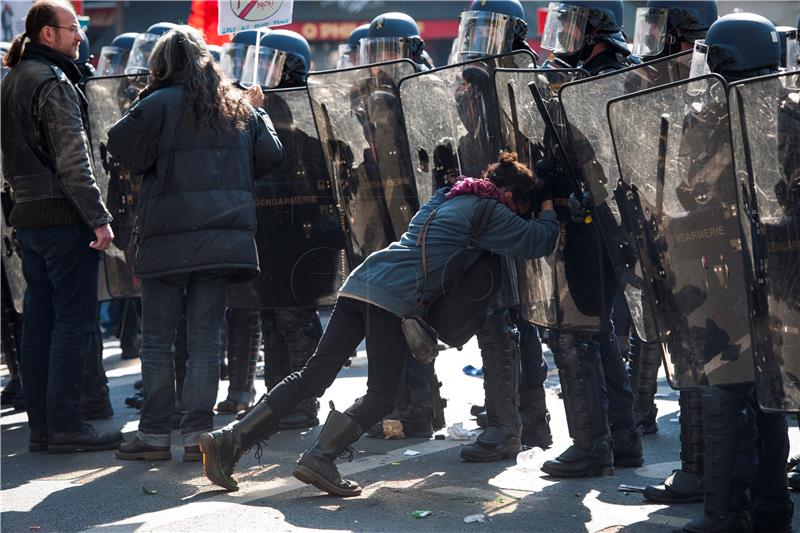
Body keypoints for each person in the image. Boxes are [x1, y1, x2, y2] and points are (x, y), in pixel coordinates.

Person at [199, 152, 558, 494]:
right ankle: (320, 458)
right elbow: (537, 241)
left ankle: (230, 438)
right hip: (391, 299)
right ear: (508, 195)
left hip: (362, 281)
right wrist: (546, 207)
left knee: (313, 376)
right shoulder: (490, 210)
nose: (517, 217)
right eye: (519, 210)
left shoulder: (447, 196)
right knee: (383, 394)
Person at [108, 25, 283, 462]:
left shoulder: (155, 104)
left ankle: (152, 434)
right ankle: (195, 436)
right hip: (222, 241)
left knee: (157, 340)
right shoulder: (236, 107)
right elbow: (271, 156)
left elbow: (119, 146)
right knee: (206, 340)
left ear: (162, 65)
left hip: (165, 238)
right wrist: (256, 110)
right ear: (207, 61)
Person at [678, 13, 792, 533]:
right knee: (766, 394)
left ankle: (727, 514)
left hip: (732, 267)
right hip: (781, 274)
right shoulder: (789, 109)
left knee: (726, 391)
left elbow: (695, 190)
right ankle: (770, 509)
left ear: (729, 60)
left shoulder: (720, 117)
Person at [0, 0, 120, 453]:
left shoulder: (12, 80)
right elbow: (75, 163)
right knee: (74, 322)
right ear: (46, 34)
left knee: (39, 322)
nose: (79, 36)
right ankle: (67, 425)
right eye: (72, 29)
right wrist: (98, 218)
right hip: (62, 219)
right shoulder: (52, 81)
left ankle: (43, 428)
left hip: (28, 218)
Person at [535, 0, 643, 478]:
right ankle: (622, 442)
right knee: (598, 331)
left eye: (573, 23)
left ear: (597, 28)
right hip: (606, 223)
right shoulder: (592, 74)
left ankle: (592, 446)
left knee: (575, 333)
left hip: (595, 222)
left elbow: (602, 156)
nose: (565, 34)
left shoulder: (608, 79)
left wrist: (557, 180)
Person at [631, 0, 717, 507]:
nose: (654, 39)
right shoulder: (659, 89)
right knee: (687, 357)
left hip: (703, 247)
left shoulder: (708, 97)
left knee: (702, 359)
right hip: (673, 241)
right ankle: (700, 469)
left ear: (686, 36)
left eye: (662, 27)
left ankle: (703, 471)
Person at [221, 30, 326, 431]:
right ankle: (275, 401)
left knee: (293, 318)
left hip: (298, 232)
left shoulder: (307, 118)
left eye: (263, 64)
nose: (252, 76)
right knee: (268, 315)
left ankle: (302, 402)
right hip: (261, 227)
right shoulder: (240, 116)